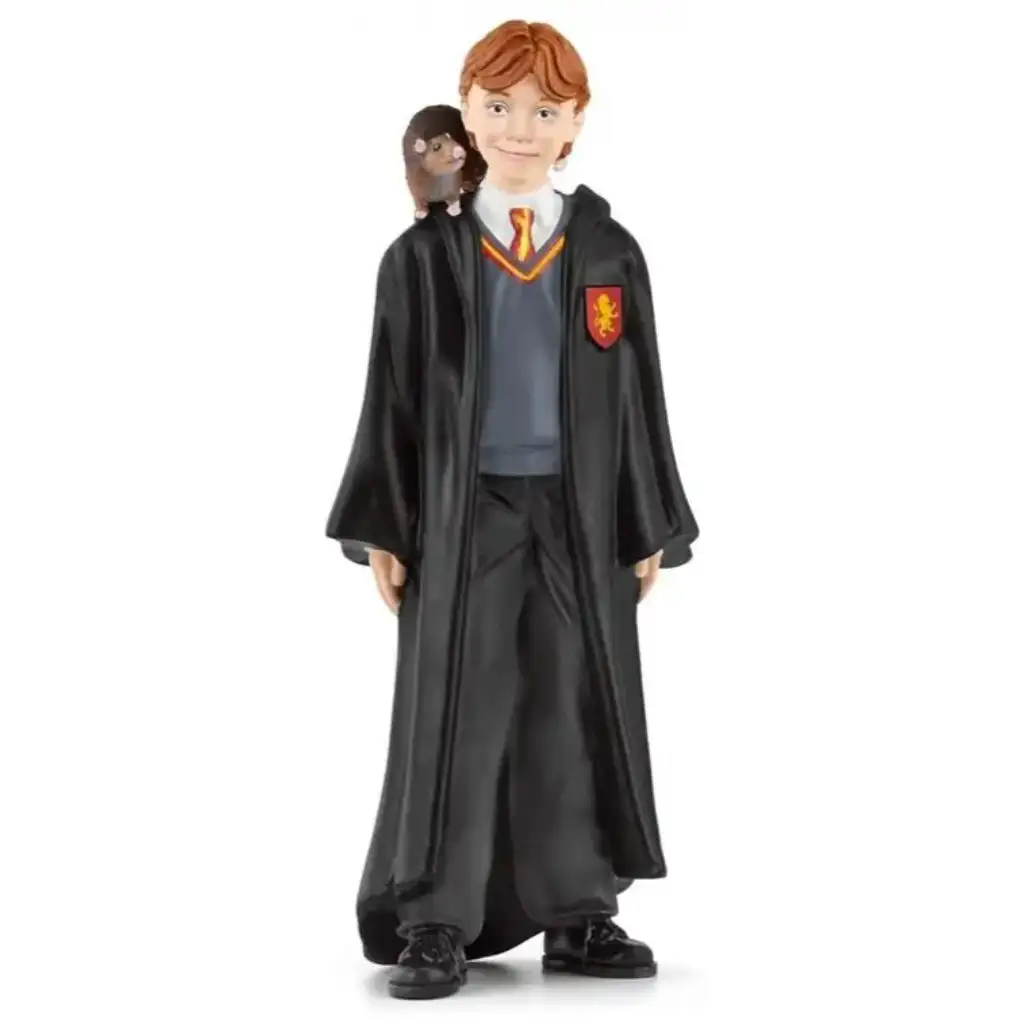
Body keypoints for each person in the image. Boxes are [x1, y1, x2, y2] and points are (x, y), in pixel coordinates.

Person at [326, 19, 699, 1000]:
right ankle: (435, 918)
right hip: (463, 513)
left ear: (576, 121)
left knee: (573, 705)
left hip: (578, 512)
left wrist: (646, 517)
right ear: (467, 111)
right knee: (460, 703)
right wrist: (385, 522)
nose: (519, 130)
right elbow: (391, 394)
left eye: (544, 110)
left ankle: (577, 909)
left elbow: (640, 394)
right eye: (498, 107)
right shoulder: (424, 257)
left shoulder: (607, 251)